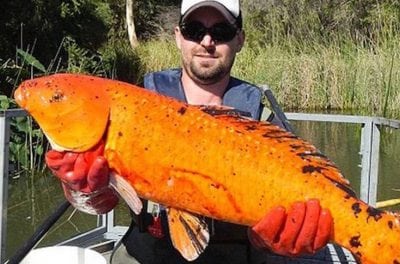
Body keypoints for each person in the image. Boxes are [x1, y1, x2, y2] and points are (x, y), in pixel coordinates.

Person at [45, 1, 334, 263]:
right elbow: (101, 204)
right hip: (150, 250)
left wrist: (281, 241)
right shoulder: (135, 104)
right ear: (178, 36)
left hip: (239, 254)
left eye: (220, 31)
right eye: (194, 29)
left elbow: (299, 218)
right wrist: (83, 192)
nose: (206, 41)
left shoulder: (264, 118)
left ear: (240, 39)